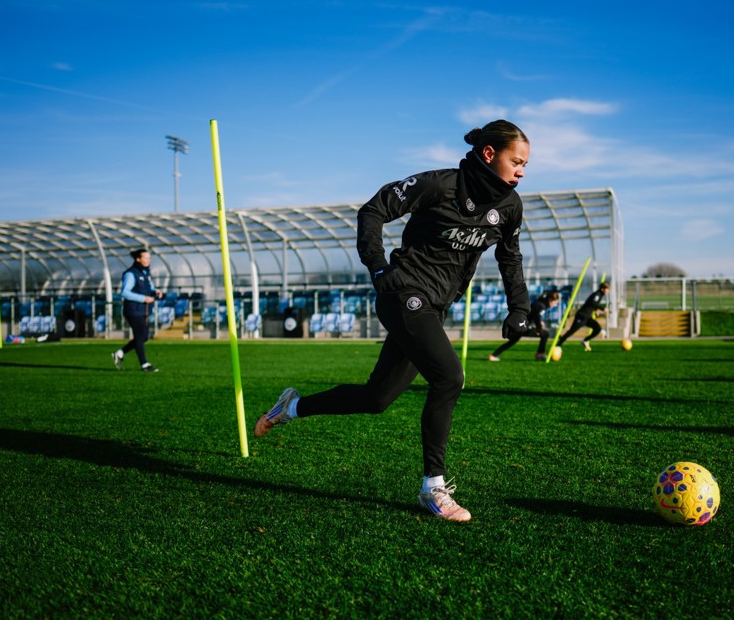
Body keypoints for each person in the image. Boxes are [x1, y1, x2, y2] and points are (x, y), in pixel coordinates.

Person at [253, 120, 532, 523]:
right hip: (402, 294)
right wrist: (379, 267)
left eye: (525, 164)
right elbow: (374, 210)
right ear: (490, 155)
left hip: (435, 306)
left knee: (376, 399)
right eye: (517, 161)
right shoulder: (440, 184)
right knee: (450, 377)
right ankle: (433, 487)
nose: (522, 170)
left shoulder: (509, 207)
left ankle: (290, 408)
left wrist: (518, 308)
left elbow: (510, 257)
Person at [112, 248, 162, 372]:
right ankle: (144, 365)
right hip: (133, 310)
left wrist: (155, 291)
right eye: (145, 258)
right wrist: (143, 298)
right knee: (140, 336)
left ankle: (119, 353)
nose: (148, 260)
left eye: (149, 258)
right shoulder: (130, 274)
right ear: (138, 259)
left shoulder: (145, 274)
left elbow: (149, 288)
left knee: (144, 337)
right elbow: (125, 293)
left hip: (143, 310)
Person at [489, 291, 560, 361]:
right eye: (555, 303)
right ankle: (540, 353)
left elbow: (535, 315)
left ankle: (493, 355)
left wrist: (539, 323)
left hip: (520, 324)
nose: (554, 305)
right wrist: (539, 330)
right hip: (524, 327)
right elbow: (537, 318)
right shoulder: (542, 306)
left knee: (511, 342)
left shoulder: (539, 303)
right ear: (551, 300)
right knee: (545, 334)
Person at [555, 282, 610, 351]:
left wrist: (596, 310)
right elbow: (592, 302)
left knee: (597, 328)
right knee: (571, 332)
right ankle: (558, 345)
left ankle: (585, 340)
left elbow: (593, 303)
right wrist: (603, 308)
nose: (608, 291)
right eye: (607, 289)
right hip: (581, 316)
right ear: (602, 289)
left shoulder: (600, 295)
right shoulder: (597, 294)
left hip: (588, 317)